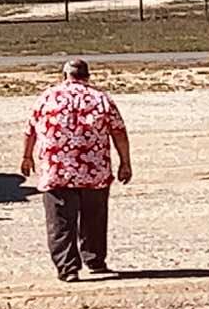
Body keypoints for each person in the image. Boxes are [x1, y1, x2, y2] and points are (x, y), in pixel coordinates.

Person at [21, 58, 132, 282]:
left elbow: (30, 129)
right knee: (94, 217)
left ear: (64, 76)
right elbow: (118, 131)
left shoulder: (47, 97)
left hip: (57, 170)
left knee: (60, 221)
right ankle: (94, 259)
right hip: (94, 170)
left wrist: (26, 156)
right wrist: (125, 162)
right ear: (87, 76)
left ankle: (67, 267)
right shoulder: (101, 99)